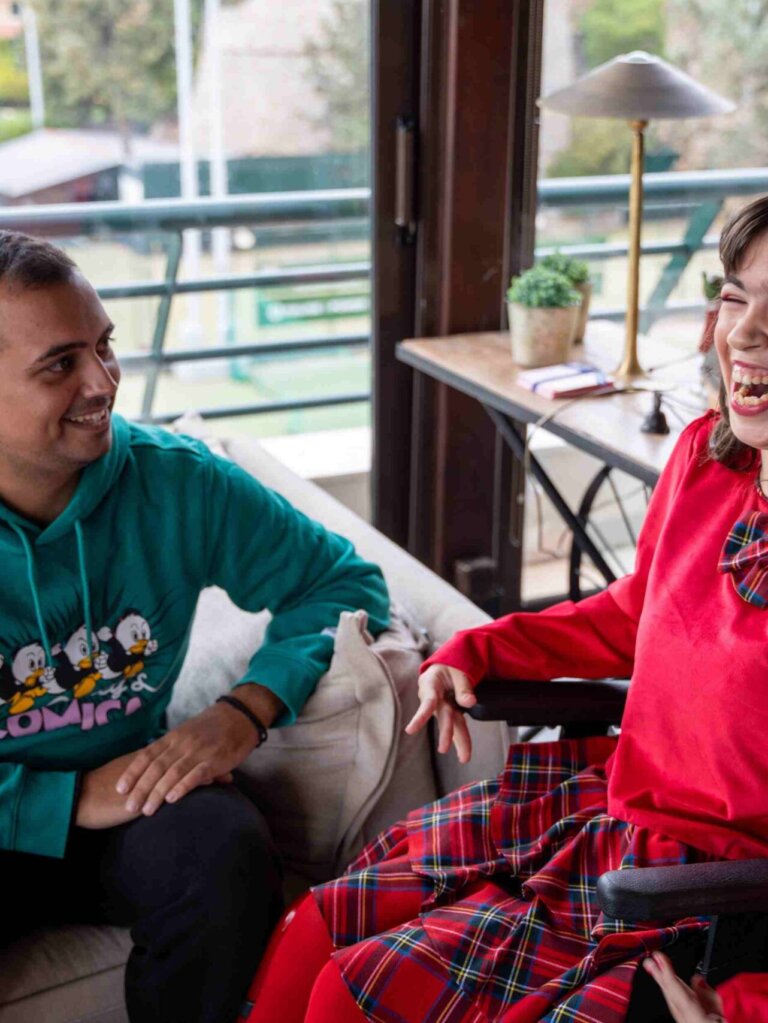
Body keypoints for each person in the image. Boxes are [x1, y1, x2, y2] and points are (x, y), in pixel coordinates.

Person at [244, 192, 768, 1023]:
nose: (744, 332)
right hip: (613, 810)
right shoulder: (705, 458)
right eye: (737, 296)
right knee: (317, 938)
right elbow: (635, 615)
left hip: (712, 900)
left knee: (361, 995)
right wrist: (478, 651)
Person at [0, 231, 390, 1023]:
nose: (102, 382)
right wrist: (65, 799)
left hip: (134, 803)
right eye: (60, 364)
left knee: (225, 848)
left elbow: (342, 582)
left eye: (105, 346)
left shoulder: (177, 482)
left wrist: (244, 709)